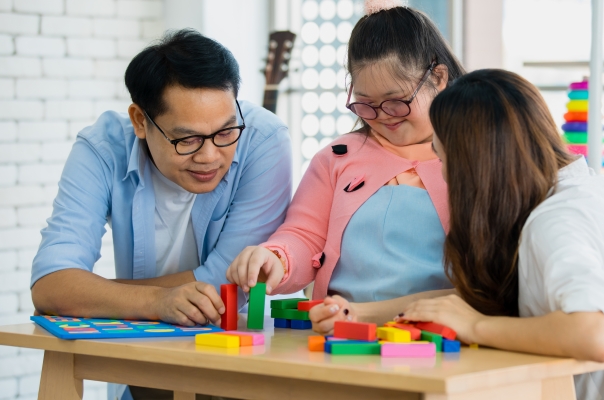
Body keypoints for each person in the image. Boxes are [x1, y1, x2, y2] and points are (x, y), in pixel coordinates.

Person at [399, 69, 604, 400]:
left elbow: (597, 334)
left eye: (444, 159)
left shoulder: (554, 221)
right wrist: (359, 315)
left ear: (475, 165)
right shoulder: (590, 189)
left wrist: (475, 327)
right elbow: (472, 303)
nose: (443, 175)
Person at [30, 30, 292, 399]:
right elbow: (51, 285)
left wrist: (91, 293)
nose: (209, 156)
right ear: (140, 121)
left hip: (240, 361)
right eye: (186, 140)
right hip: (141, 362)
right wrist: (157, 302)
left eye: (225, 132)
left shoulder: (264, 139)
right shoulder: (102, 147)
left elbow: (225, 286)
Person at [227, 1, 466, 333]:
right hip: (342, 333)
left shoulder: (470, 155)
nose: (383, 116)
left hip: (445, 336)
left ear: (437, 78)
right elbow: (303, 234)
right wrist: (277, 259)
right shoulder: (337, 157)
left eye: (396, 101)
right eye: (366, 105)